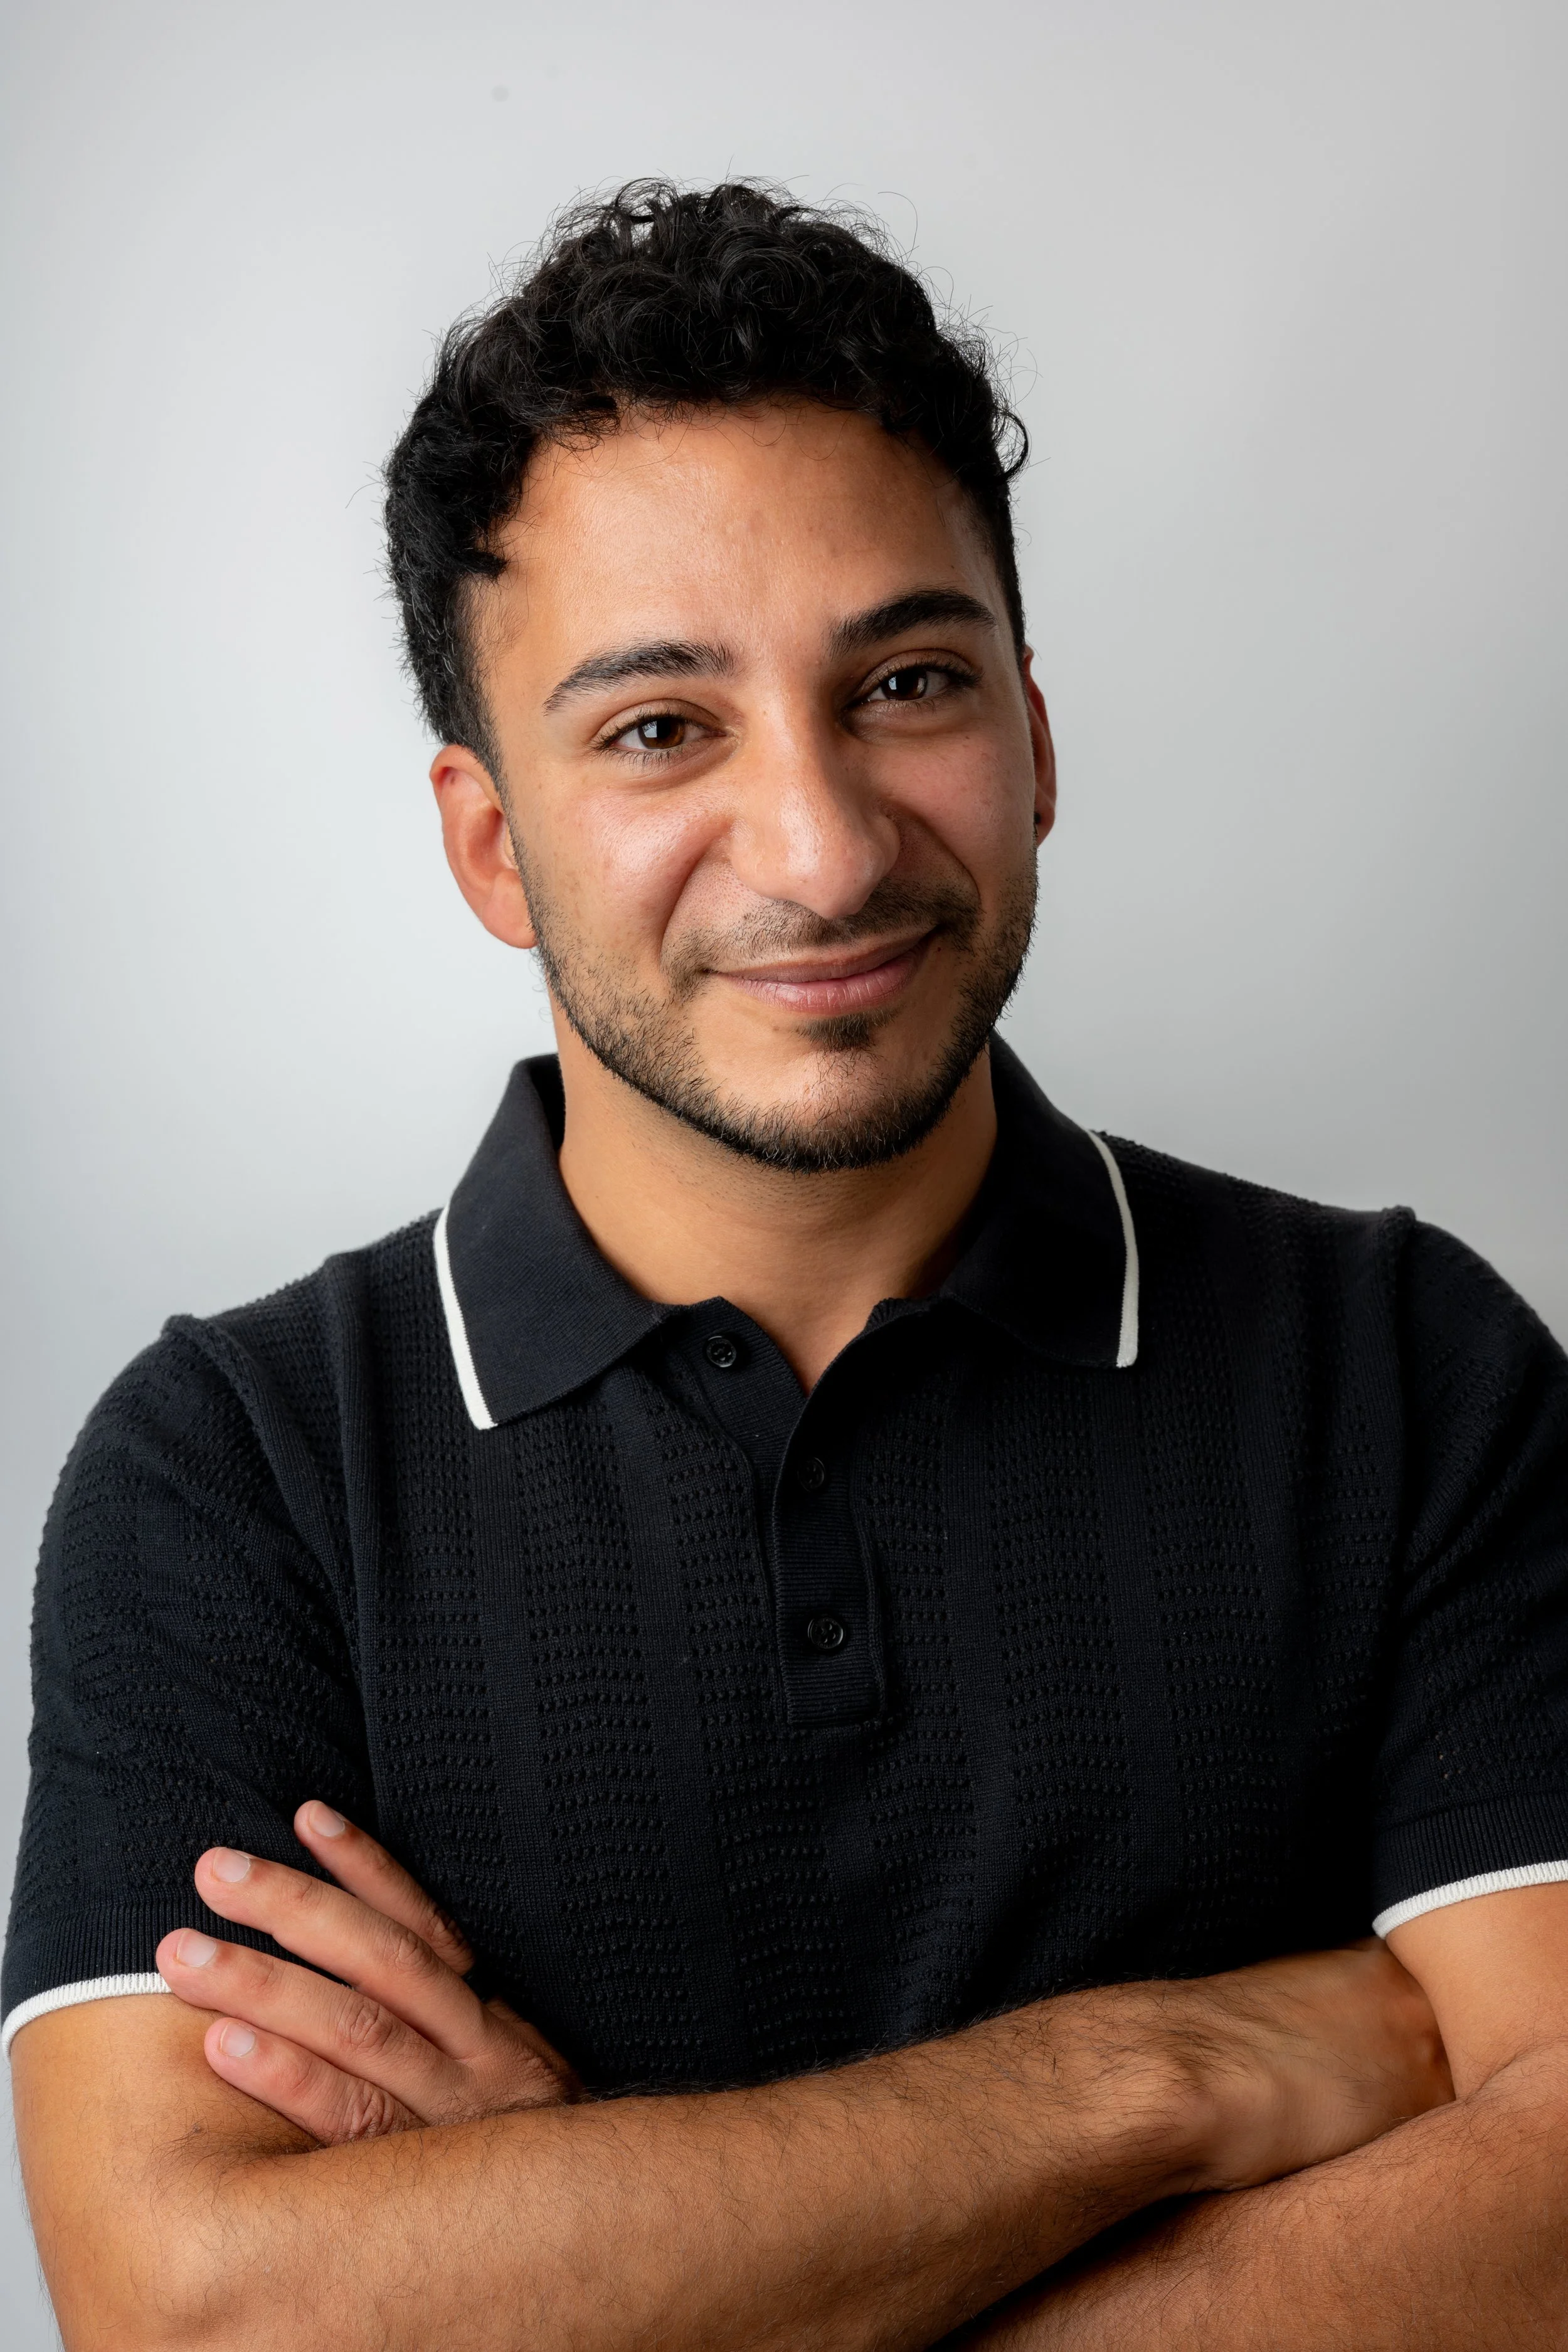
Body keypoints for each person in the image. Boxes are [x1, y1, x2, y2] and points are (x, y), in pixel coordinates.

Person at [6, 179, 1567, 2350]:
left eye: (904, 682)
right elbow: (202, 2310)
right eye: (660, 727)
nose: (823, 848)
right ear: (489, 838)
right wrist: (1162, 2074)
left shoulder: (1407, 1363)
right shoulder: (239, 1472)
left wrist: (582, 2260)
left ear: (1030, 736)